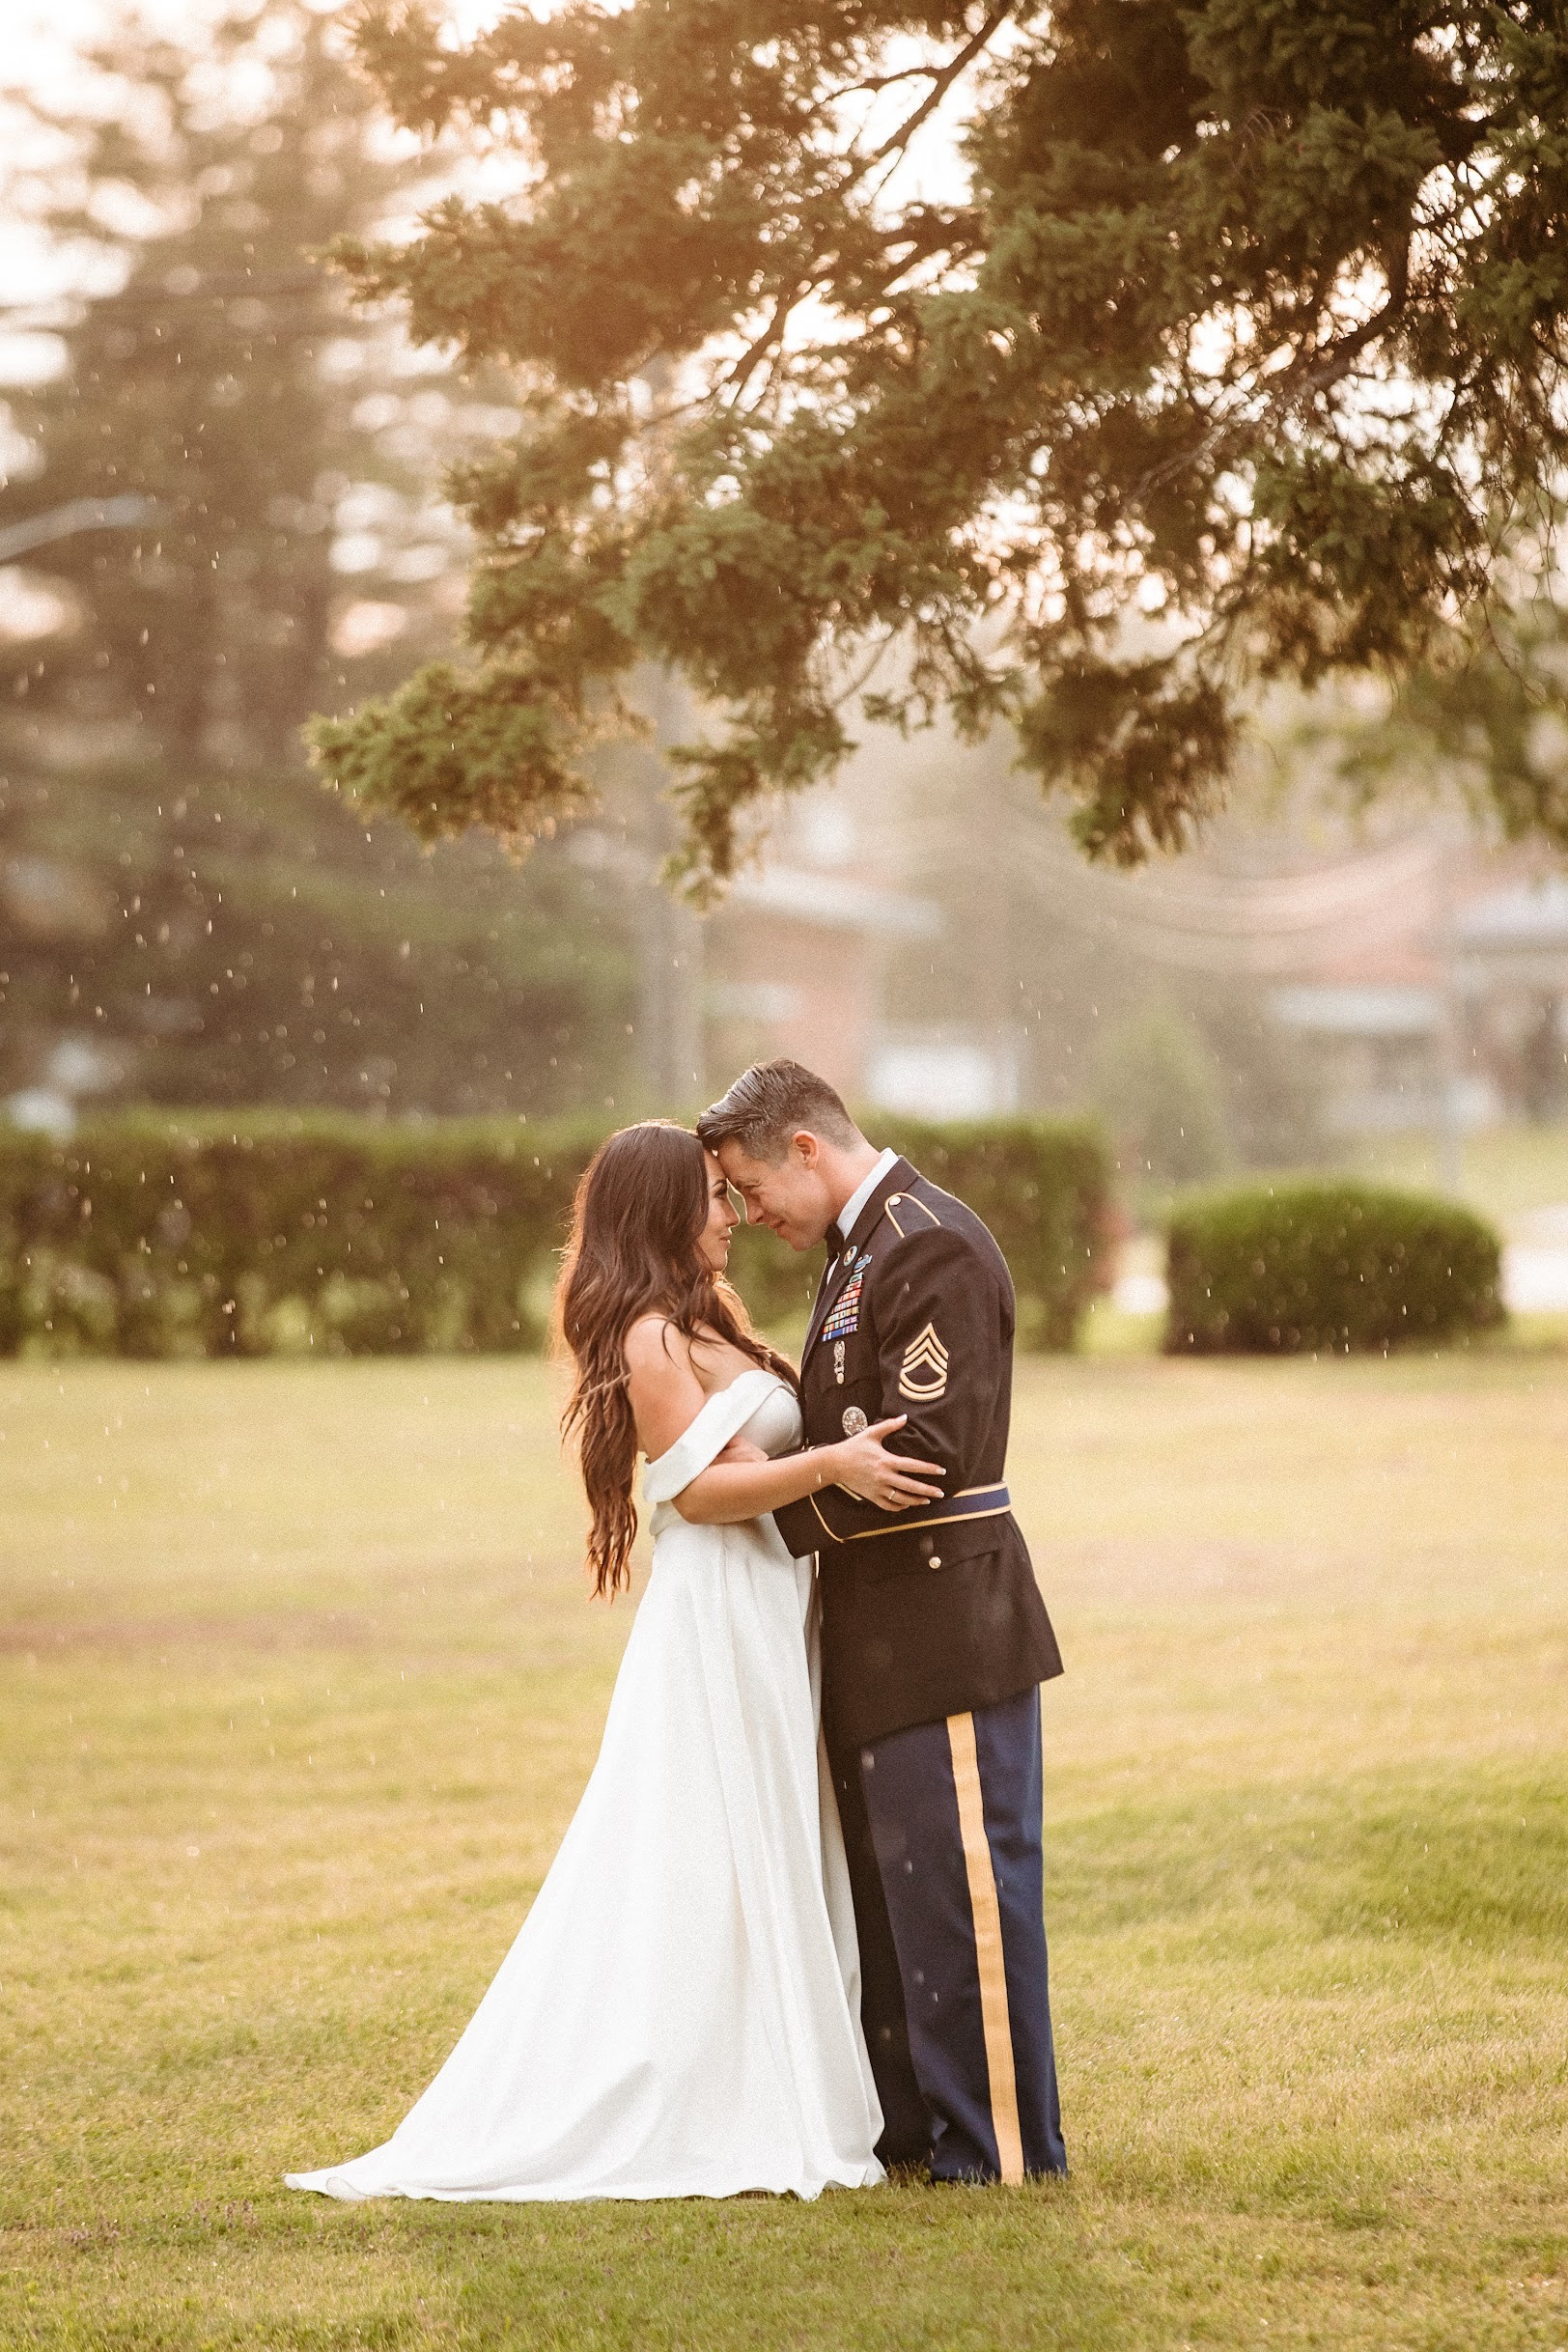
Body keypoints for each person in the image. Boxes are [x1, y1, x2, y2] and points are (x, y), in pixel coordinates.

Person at [285, 1120, 942, 2203]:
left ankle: (770, 2063)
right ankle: (704, 2088)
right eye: (712, 1197)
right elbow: (695, 1494)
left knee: (764, 1834)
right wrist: (834, 1463)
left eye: (734, 1196)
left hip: (777, 1602)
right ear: (659, 1211)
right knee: (706, 1842)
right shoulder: (646, 1336)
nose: (733, 1212)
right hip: (719, 1611)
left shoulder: (705, 1322)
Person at [697, 1061, 1069, 2185]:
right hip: (878, 1620)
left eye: (752, 1188)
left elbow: (925, 1449)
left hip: (944, 1616)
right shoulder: (858, 1252)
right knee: (896, 1903)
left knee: (963, 1903)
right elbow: (853, 1433)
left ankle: (999, 2148)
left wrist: (754, 1504)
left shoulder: (923, 1240)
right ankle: (916, 2135)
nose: (750, 1216)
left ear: (805, 1147)